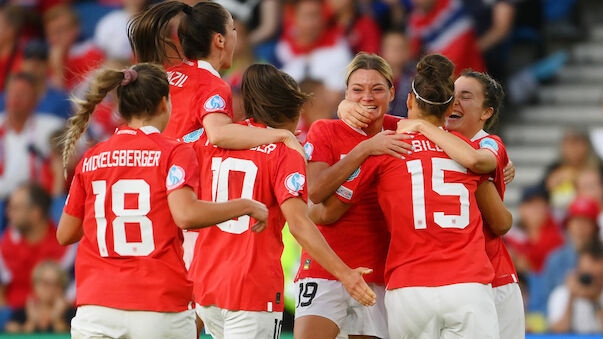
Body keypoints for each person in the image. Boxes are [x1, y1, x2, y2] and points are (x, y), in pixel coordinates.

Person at [57, 63, 268, 338]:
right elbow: (185, 214)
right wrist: (247, 205)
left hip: (96, 307)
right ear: (163, 103)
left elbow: (65, 234)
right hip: (158, 304)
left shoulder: (92, 158)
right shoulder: (174, 151)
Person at [319, 54, 509, 338]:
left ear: (408, 101)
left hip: (409, 287)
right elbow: (501, 222)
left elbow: (327, 211)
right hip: (467, 283)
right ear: (449, 110)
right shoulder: (467, 150)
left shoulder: (385, 149)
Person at [187, 63, 376, 338]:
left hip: (205, 287)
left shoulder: (210, 140)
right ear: (293, 114)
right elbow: (299, 223)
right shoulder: (284, 150)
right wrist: (345, 274)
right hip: (253, 293)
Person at [294, 53, 412, 339]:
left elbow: (441, 131)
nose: (366, 97)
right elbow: (316, 190)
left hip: (378, 273)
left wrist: (490, 151)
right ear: (345, 93)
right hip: (324, 269)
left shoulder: (403, 130)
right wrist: (366, 149)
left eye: (377, 89)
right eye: (357, 89)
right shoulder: (326, 130)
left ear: (392, 92)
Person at [0, 183, 73, 318]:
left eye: (15, 208)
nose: (8, 213)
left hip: (58, 319)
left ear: (35, 213)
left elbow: (72, 292)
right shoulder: (6, 243)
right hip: (14, 321)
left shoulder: (65, 244)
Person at [4, 260, 75, 333]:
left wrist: (57, 320)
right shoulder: (22, 313)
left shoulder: (72, 314)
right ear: (35, 285)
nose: (51, 289)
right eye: (46, 283)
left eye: (57, 284)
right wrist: (31, 322)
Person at [548, 247, 603, 333]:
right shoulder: (561, 294)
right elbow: (558, 331)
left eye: (597, 275)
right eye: (587, 274)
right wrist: (571, 297)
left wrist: (596, 300)